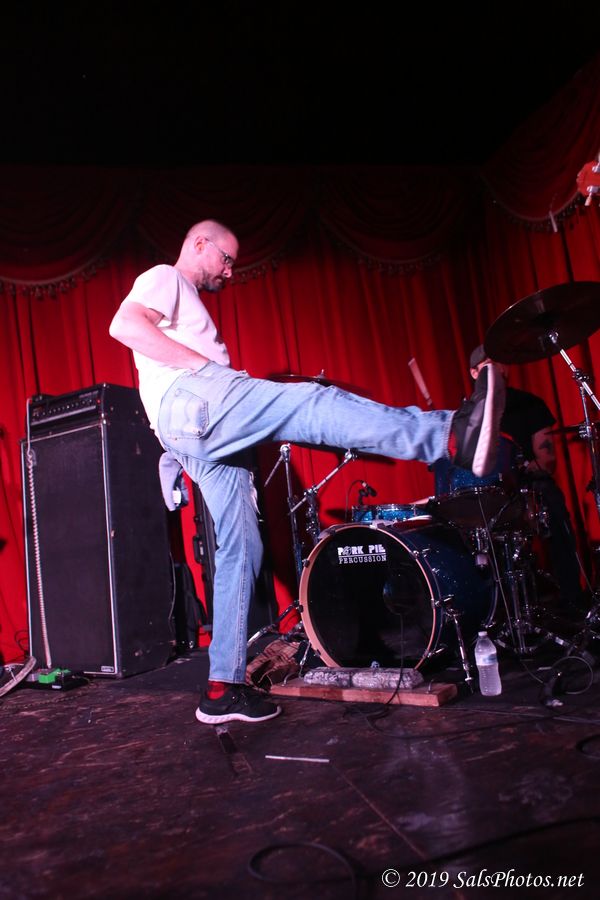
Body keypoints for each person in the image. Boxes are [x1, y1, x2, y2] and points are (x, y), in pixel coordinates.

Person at [109, 220, 505, 726]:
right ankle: (446, 436)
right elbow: (125, 325)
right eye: (226, 259)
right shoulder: (167, 277)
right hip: (196, 403)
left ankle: (222, 688)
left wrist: (173, 447)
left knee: (242, 549)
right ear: (200, 244)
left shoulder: (187, 306)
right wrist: (203, 370)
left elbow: (160, 389)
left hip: (193, 429)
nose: (229, 272)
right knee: (311, 402)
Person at [435, 344, 584, 611]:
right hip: (482, 495)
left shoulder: (529, 404)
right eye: (488, 365)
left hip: (525, 486)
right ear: (474, 373)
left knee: (551, 500)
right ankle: (482, 608)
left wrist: (517, 470)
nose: (497, 369)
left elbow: (546, 461)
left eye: (500, 363)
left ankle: (572, 597)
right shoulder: (464, 416)